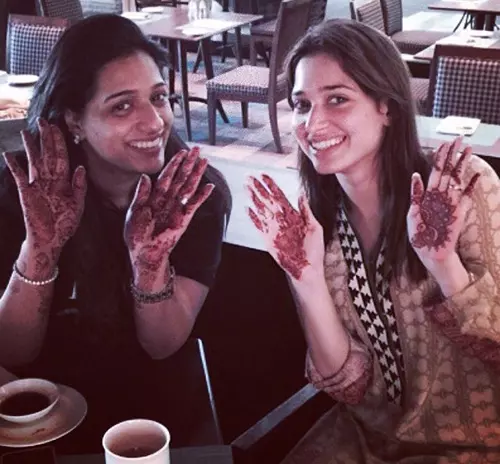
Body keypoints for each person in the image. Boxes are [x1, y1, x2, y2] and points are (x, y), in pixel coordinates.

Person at [247, 19, 500, 463]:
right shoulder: (313, 222)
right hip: (364, 440)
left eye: (337, 99)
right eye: (301, 104)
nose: (312, 122)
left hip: (471, 444)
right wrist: (306, 279)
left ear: (388, 106)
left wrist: (444, 266)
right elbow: (349, 385)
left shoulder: (463, 188)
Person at [0, 14, 231, 449]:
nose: (154, 122)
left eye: (158, 98)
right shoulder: (26, 197)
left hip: (154, 412)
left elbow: (163, 345)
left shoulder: (194, 199)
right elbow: (12, 353)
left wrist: (149, 265)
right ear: (74, 121)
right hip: (39, 413)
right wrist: (41, 248)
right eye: (122, 106)